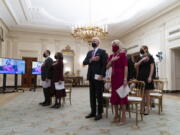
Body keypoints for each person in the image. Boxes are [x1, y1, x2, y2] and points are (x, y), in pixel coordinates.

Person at [83, 37, 107, 121]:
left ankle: (99, 113)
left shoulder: (102, 52)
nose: (93, 42)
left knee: (99, 95)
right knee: (92, 95)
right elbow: (84, 62)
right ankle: (93, 112)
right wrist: (91, 59)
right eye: (92, 41)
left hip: (98, 76)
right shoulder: (89, 52)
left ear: (98, 42)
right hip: (91, 76)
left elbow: (104, 65)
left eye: (95, 41)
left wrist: (102, 75)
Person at [106, 40, 128, 125]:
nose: (113, 46)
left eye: (115, 45)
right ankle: (116, 115)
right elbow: (107, 67)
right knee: (114, 97)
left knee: (122, 97)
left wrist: (125, 79)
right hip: (114, 79)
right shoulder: (111, 56)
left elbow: (126, 67)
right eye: (112, 45)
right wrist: (112, 60)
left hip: (121, 78)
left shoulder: (123, 55)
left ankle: (123, 117)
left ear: (119, 46)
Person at [135, 45, 155, 115]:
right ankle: (142, 107)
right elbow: (136, 65)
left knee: (147, 95)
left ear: (146, 49)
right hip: (140, 77)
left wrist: (150, 76)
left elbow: (152, 68)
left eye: (142, 49)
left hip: (147, 77)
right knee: (141, 94)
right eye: (140, 49)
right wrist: (142, 59)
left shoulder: (150, 57)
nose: (141, 50)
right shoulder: (140, 57)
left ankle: (147, 109)